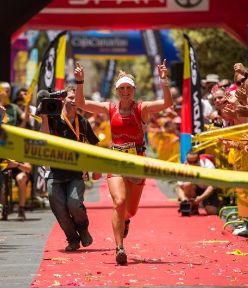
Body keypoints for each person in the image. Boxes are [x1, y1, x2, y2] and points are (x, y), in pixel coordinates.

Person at [75, 59, 173, 265]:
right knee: (118, 202)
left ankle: (125, 219)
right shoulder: (110, 108)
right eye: (122, 88)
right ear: (117, 91)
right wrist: (80, 82)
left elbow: (167, 104)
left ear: (134, 90)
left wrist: (164, 82)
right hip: (116, 160)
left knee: (131, 210)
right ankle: (119, 247)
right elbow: (81, 104)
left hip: (137, 162)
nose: (126, 91)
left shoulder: (142, 108)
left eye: (129, 88)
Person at [40, 63, 100, 252]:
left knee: (73, 204)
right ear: (63, 100)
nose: (74, 101)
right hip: (55, 171)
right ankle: (72, 238)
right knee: (58, 207)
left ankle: (83, 229)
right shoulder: (53, 119)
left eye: (76, 98)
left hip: (76, 172)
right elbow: (45, 138)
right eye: (71, 98)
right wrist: (43, 117)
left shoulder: (82, 121)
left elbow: (95, 145)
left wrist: (97, 167)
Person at [176, 151, 220, 216]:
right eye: (190, 162)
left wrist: (201, 198)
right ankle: (193, 207)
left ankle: (218, 203)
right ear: (187, 160)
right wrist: (183, 199)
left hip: (207, 189)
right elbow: (178, 187)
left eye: (195, 162)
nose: (192, 164)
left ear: (199, 159)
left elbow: (212, 186)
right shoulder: (184, 167)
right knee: (187, 184)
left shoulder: (207, 165)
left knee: (212, 212)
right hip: (194, 188)